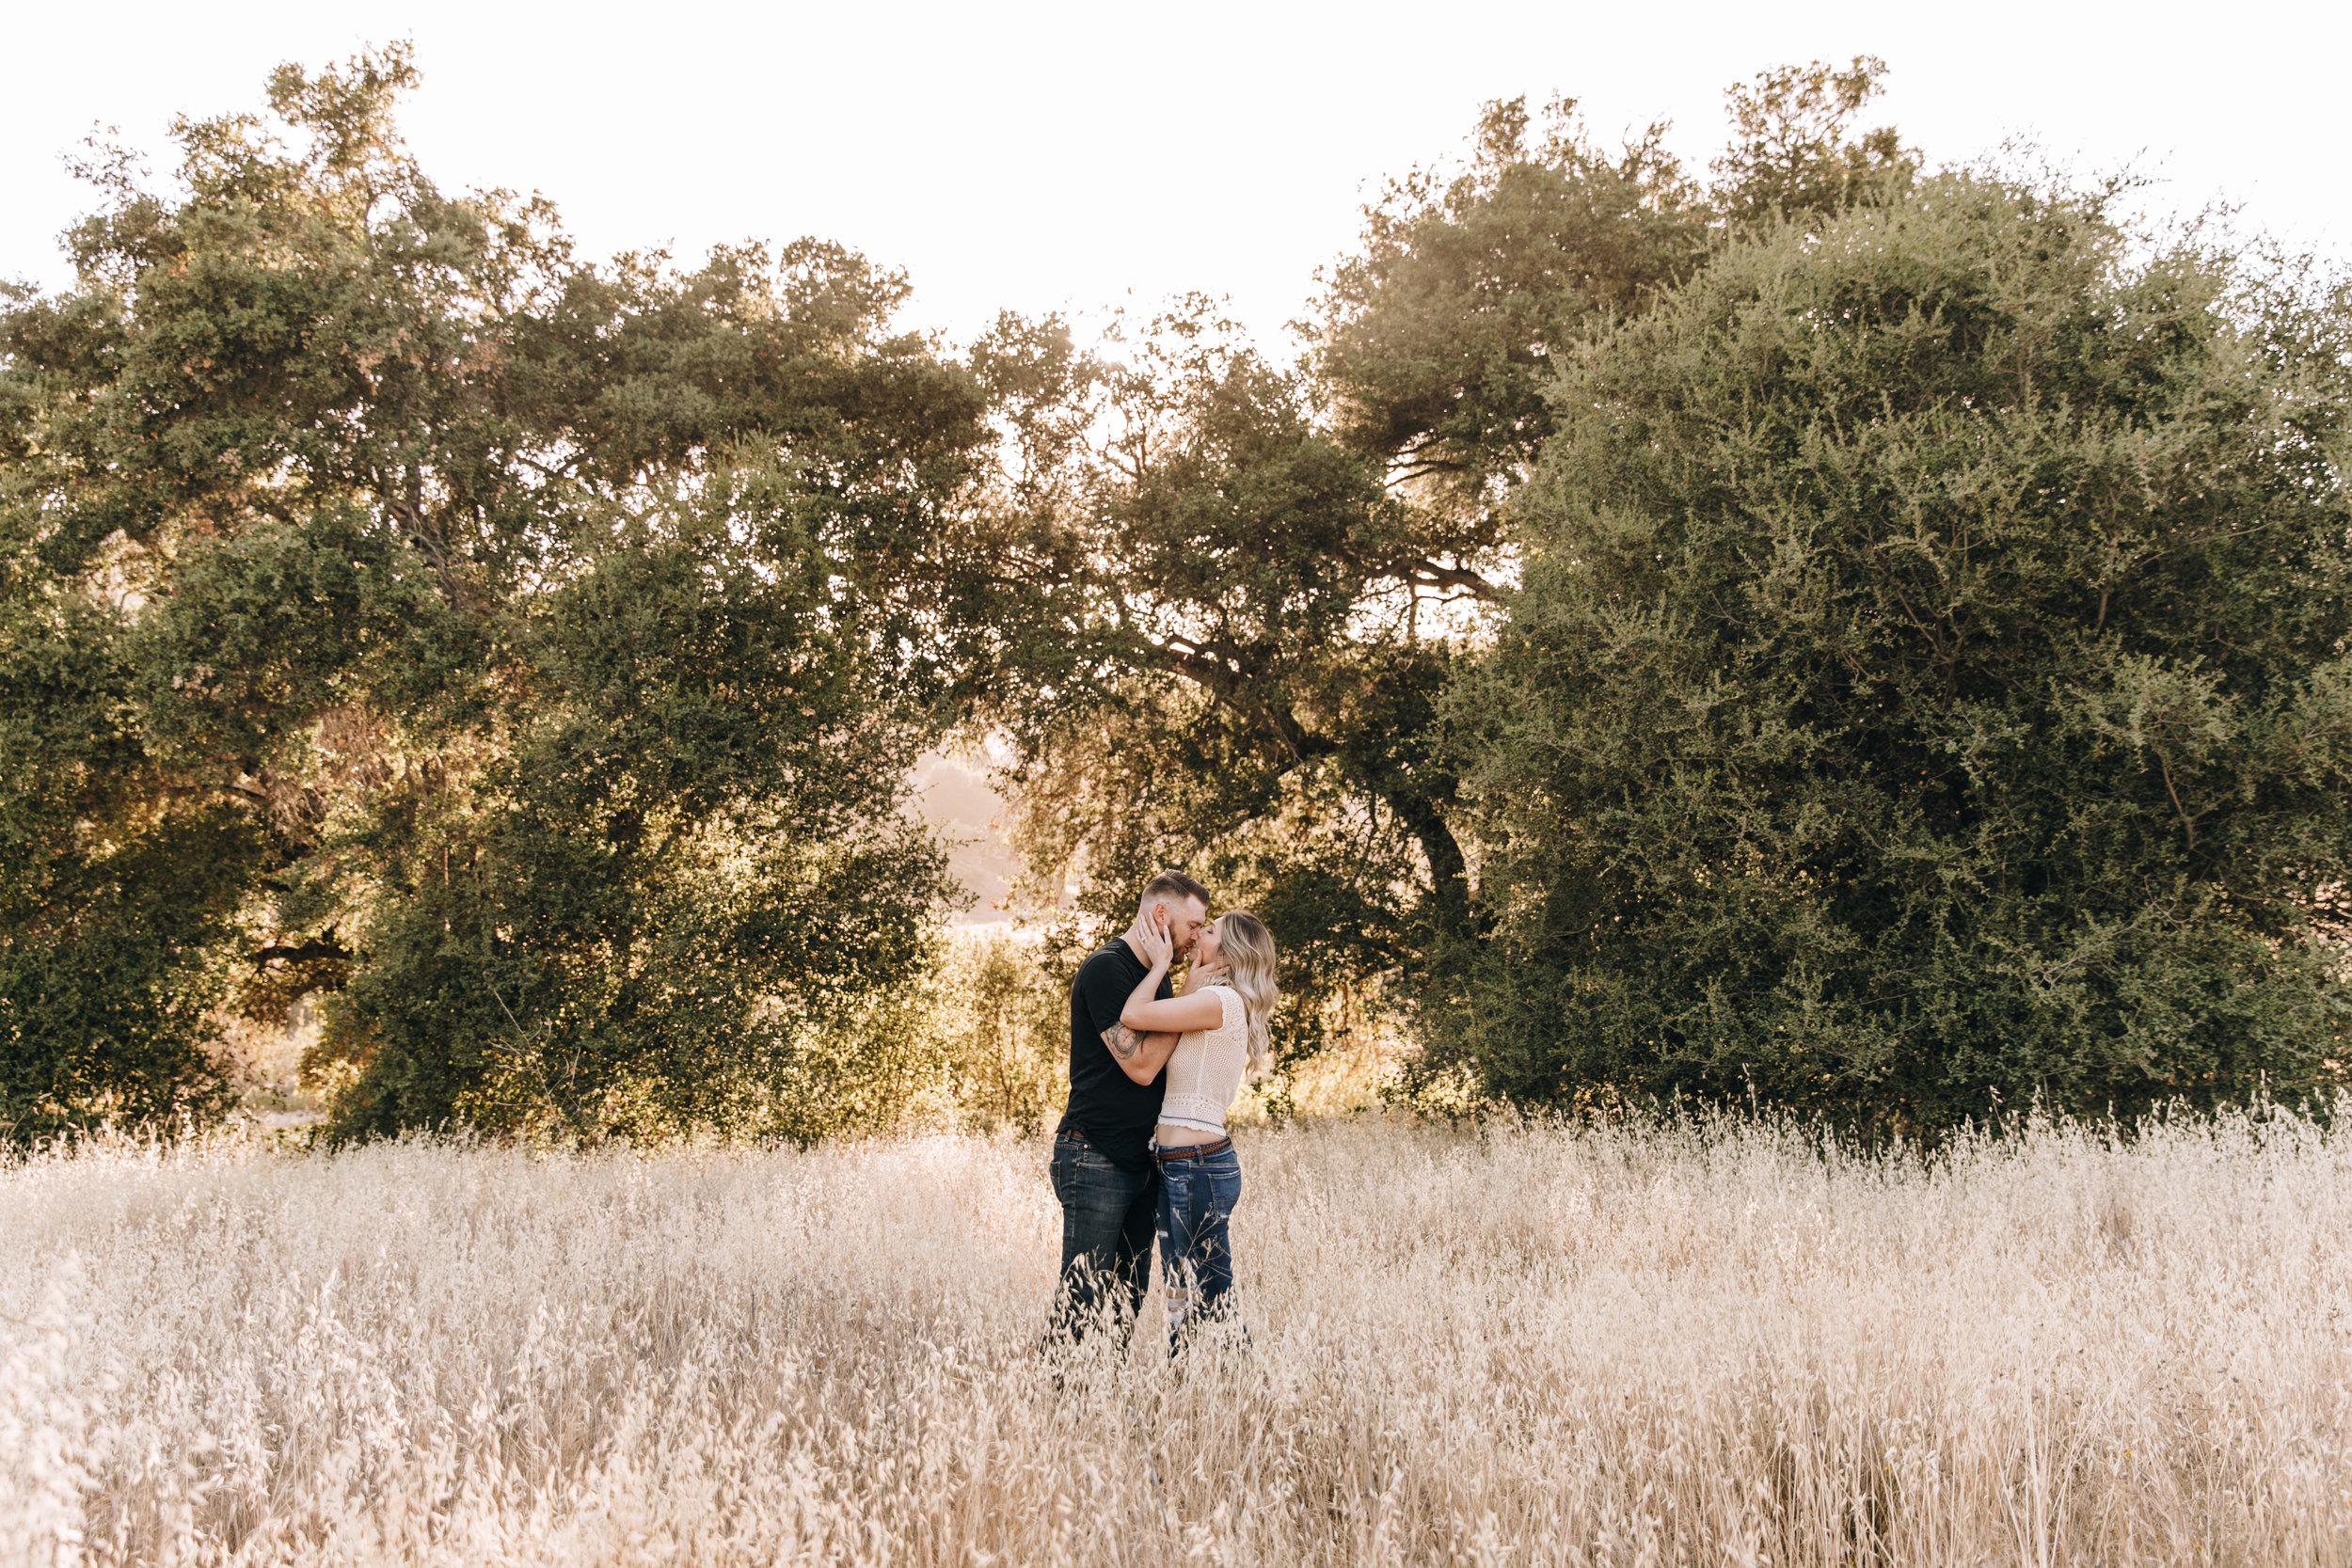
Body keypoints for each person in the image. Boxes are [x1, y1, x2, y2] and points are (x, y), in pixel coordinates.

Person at [1048, 870, 1213, 1348]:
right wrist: (1181, 995)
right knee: (1081, 1301)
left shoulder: (1154, 979)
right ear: (1161, 915)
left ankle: (1106, 1404)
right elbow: (1139, 1066)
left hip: (1143, 1163)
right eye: (1193, 925)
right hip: (1095, 1156)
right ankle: (1053, 1404)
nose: (1196, 938)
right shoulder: (1107, 969)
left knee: (1128, 1297)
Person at [1117, 908, 1278, 1354]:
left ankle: (1246, 1387)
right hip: (1180, 1166)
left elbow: (1134, 1012)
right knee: (1182, 1296)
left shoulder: (1219, 1003)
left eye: (1208, 932)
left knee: (1210, 1296)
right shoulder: (1212, 1000)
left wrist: (1161, 963)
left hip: (1198, 1167)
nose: (1197, 937)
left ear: (1226, 955)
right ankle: (1190, 1391)